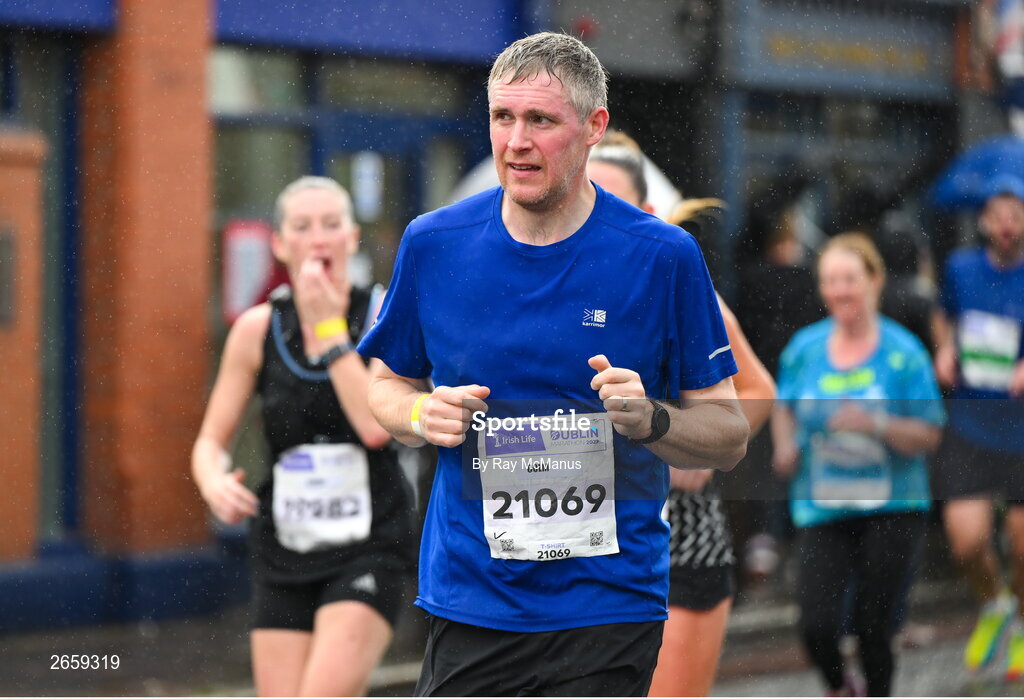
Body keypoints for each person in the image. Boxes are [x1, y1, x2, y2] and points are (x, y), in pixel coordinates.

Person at [358, 32, 749, 697]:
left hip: (607, 600)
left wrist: (653, 418)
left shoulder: (663, 256)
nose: (515, 141)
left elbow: (731, 431)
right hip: (473, 594)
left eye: (540, 119)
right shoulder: (434, 244)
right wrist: (423, 412)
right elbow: (386, 382)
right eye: (502, 118)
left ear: (594, 126)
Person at [191, 177, 415, 696]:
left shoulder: (381, 316)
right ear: (279, 243)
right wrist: (213, 482)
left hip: (369, 543)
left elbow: (373, 428)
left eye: (332, 225)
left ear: (352, 239)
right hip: (285, 546)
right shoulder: (257, 330)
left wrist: (331, 333)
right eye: (303, 227)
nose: (318, 239)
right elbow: (209, 443)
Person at [586, 132, 776, 697]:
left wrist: (698, 456)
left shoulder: (684, 291)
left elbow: (759, 388)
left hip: (678, 541)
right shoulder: (548, 294)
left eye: (610, 203)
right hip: (583, 540)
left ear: (646, 214)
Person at [772, 233, 945, 696]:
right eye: (830, 280)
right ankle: (841, 686)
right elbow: (782, 406)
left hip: (892, 508)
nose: (840, 290)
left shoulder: (903, 352)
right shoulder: (805, 348)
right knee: (816, 624)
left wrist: (877, 424)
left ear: (874, 281)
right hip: (822, 506)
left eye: (849, 278)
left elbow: (929, 433)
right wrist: (785, 446)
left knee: (874, 628)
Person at [932, 174, 1024, 680]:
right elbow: (943, 317)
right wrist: (945, 347)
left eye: (1017, 213)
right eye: (998, 213)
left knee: (1022, 542)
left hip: (1020, 428)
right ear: (984, 221)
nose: (1007, 224)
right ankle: (996, 605)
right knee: (966, 540)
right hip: (970, 420)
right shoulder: (961, 268)